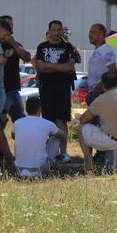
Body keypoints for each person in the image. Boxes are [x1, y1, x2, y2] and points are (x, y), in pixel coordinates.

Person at [78, 72, 117, 172]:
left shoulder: (102, 98)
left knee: (82, 128)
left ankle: (89, 166)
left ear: (103, 85)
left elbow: (83, 120)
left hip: (116, 142)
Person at [35, 20, 76, 163]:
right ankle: (49, 152)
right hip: (46, 88)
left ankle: (63, 153)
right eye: (54, 30)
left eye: (59, 30)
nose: (56, 32)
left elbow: (70, 67)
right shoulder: (42, 47)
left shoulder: (68, 47)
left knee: (62, 120)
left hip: (63, 88)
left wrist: (49, 66)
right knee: (47, 121)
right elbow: (40, 67)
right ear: (49, 31)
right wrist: (60, 66)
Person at [12, 97, 66, 177]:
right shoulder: (47, 123)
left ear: (26, 109)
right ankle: (61, 157)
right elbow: (63, 136)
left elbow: (13, 136)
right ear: (40, 109)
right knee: (57, 138)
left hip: (19, 168)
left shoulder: (17, 123)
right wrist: (59, 124)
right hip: (40, 168)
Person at [0, 15, 31, 122]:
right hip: (0, 90)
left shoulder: (15, 44)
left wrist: (13, 44)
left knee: (20, 121)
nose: (9, 27)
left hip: (14, 90)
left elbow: (27, 57)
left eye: (11, 25)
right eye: (6, 24)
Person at [86, 23, 117, 105]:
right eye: (89, 32)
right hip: (94, 94)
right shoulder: (98, 50)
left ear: (101, 34)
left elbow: (113, 71)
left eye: (92, 32)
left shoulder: (106, 50)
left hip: (100, 94)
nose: (89, 35)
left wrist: (99, 88)